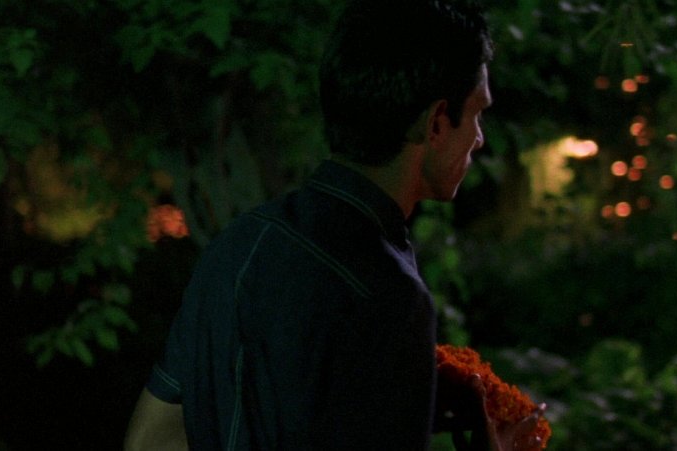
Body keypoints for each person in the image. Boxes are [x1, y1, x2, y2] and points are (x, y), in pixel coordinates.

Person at [124, 0, 544, 449]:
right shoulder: (388, 296)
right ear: (437, 123)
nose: (479, 138)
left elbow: (151, 439)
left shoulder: (243, 241)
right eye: (476, 113)